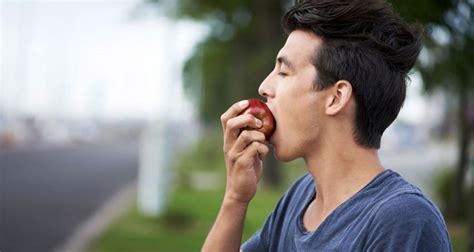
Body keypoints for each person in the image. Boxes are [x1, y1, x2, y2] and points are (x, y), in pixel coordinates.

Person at [201, 0, 452, 251]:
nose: (264, 87)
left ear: (336, 97)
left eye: (284, 72)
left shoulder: (403, 221)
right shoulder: (298, 198)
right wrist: (235, 198)